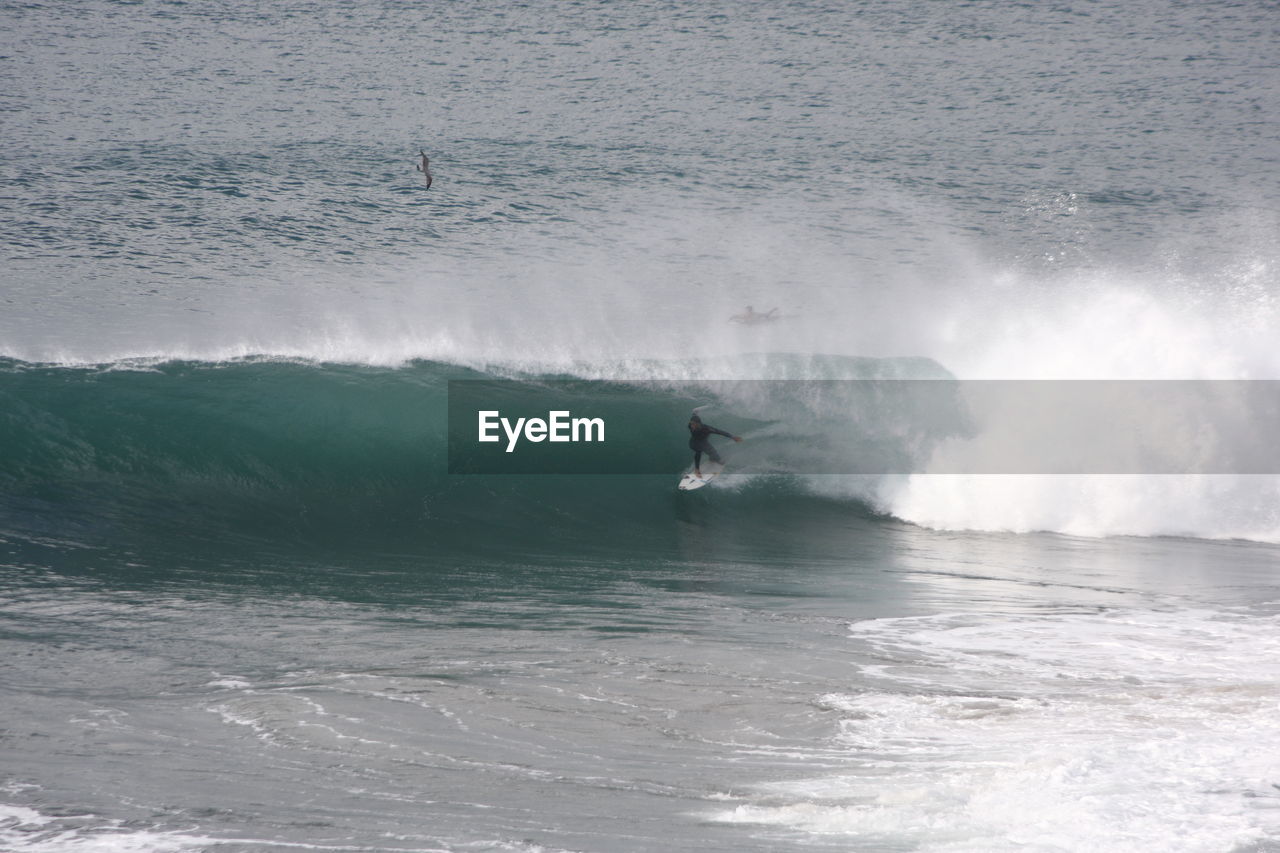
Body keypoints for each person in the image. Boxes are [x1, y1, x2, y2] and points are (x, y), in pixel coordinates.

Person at [688, 412, 742, 477]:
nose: (692, 426)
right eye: (691, 424)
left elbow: (719, 432)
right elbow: (694, 417)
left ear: (698, 424)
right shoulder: (690, 425)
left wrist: (732, 437)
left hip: (704, 442)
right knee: (698, 451)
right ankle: (697, 470)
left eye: (693, 424)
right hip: (694, 443)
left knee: (715, 455)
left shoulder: (707, 428)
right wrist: (695, 413)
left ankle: (713, 458)